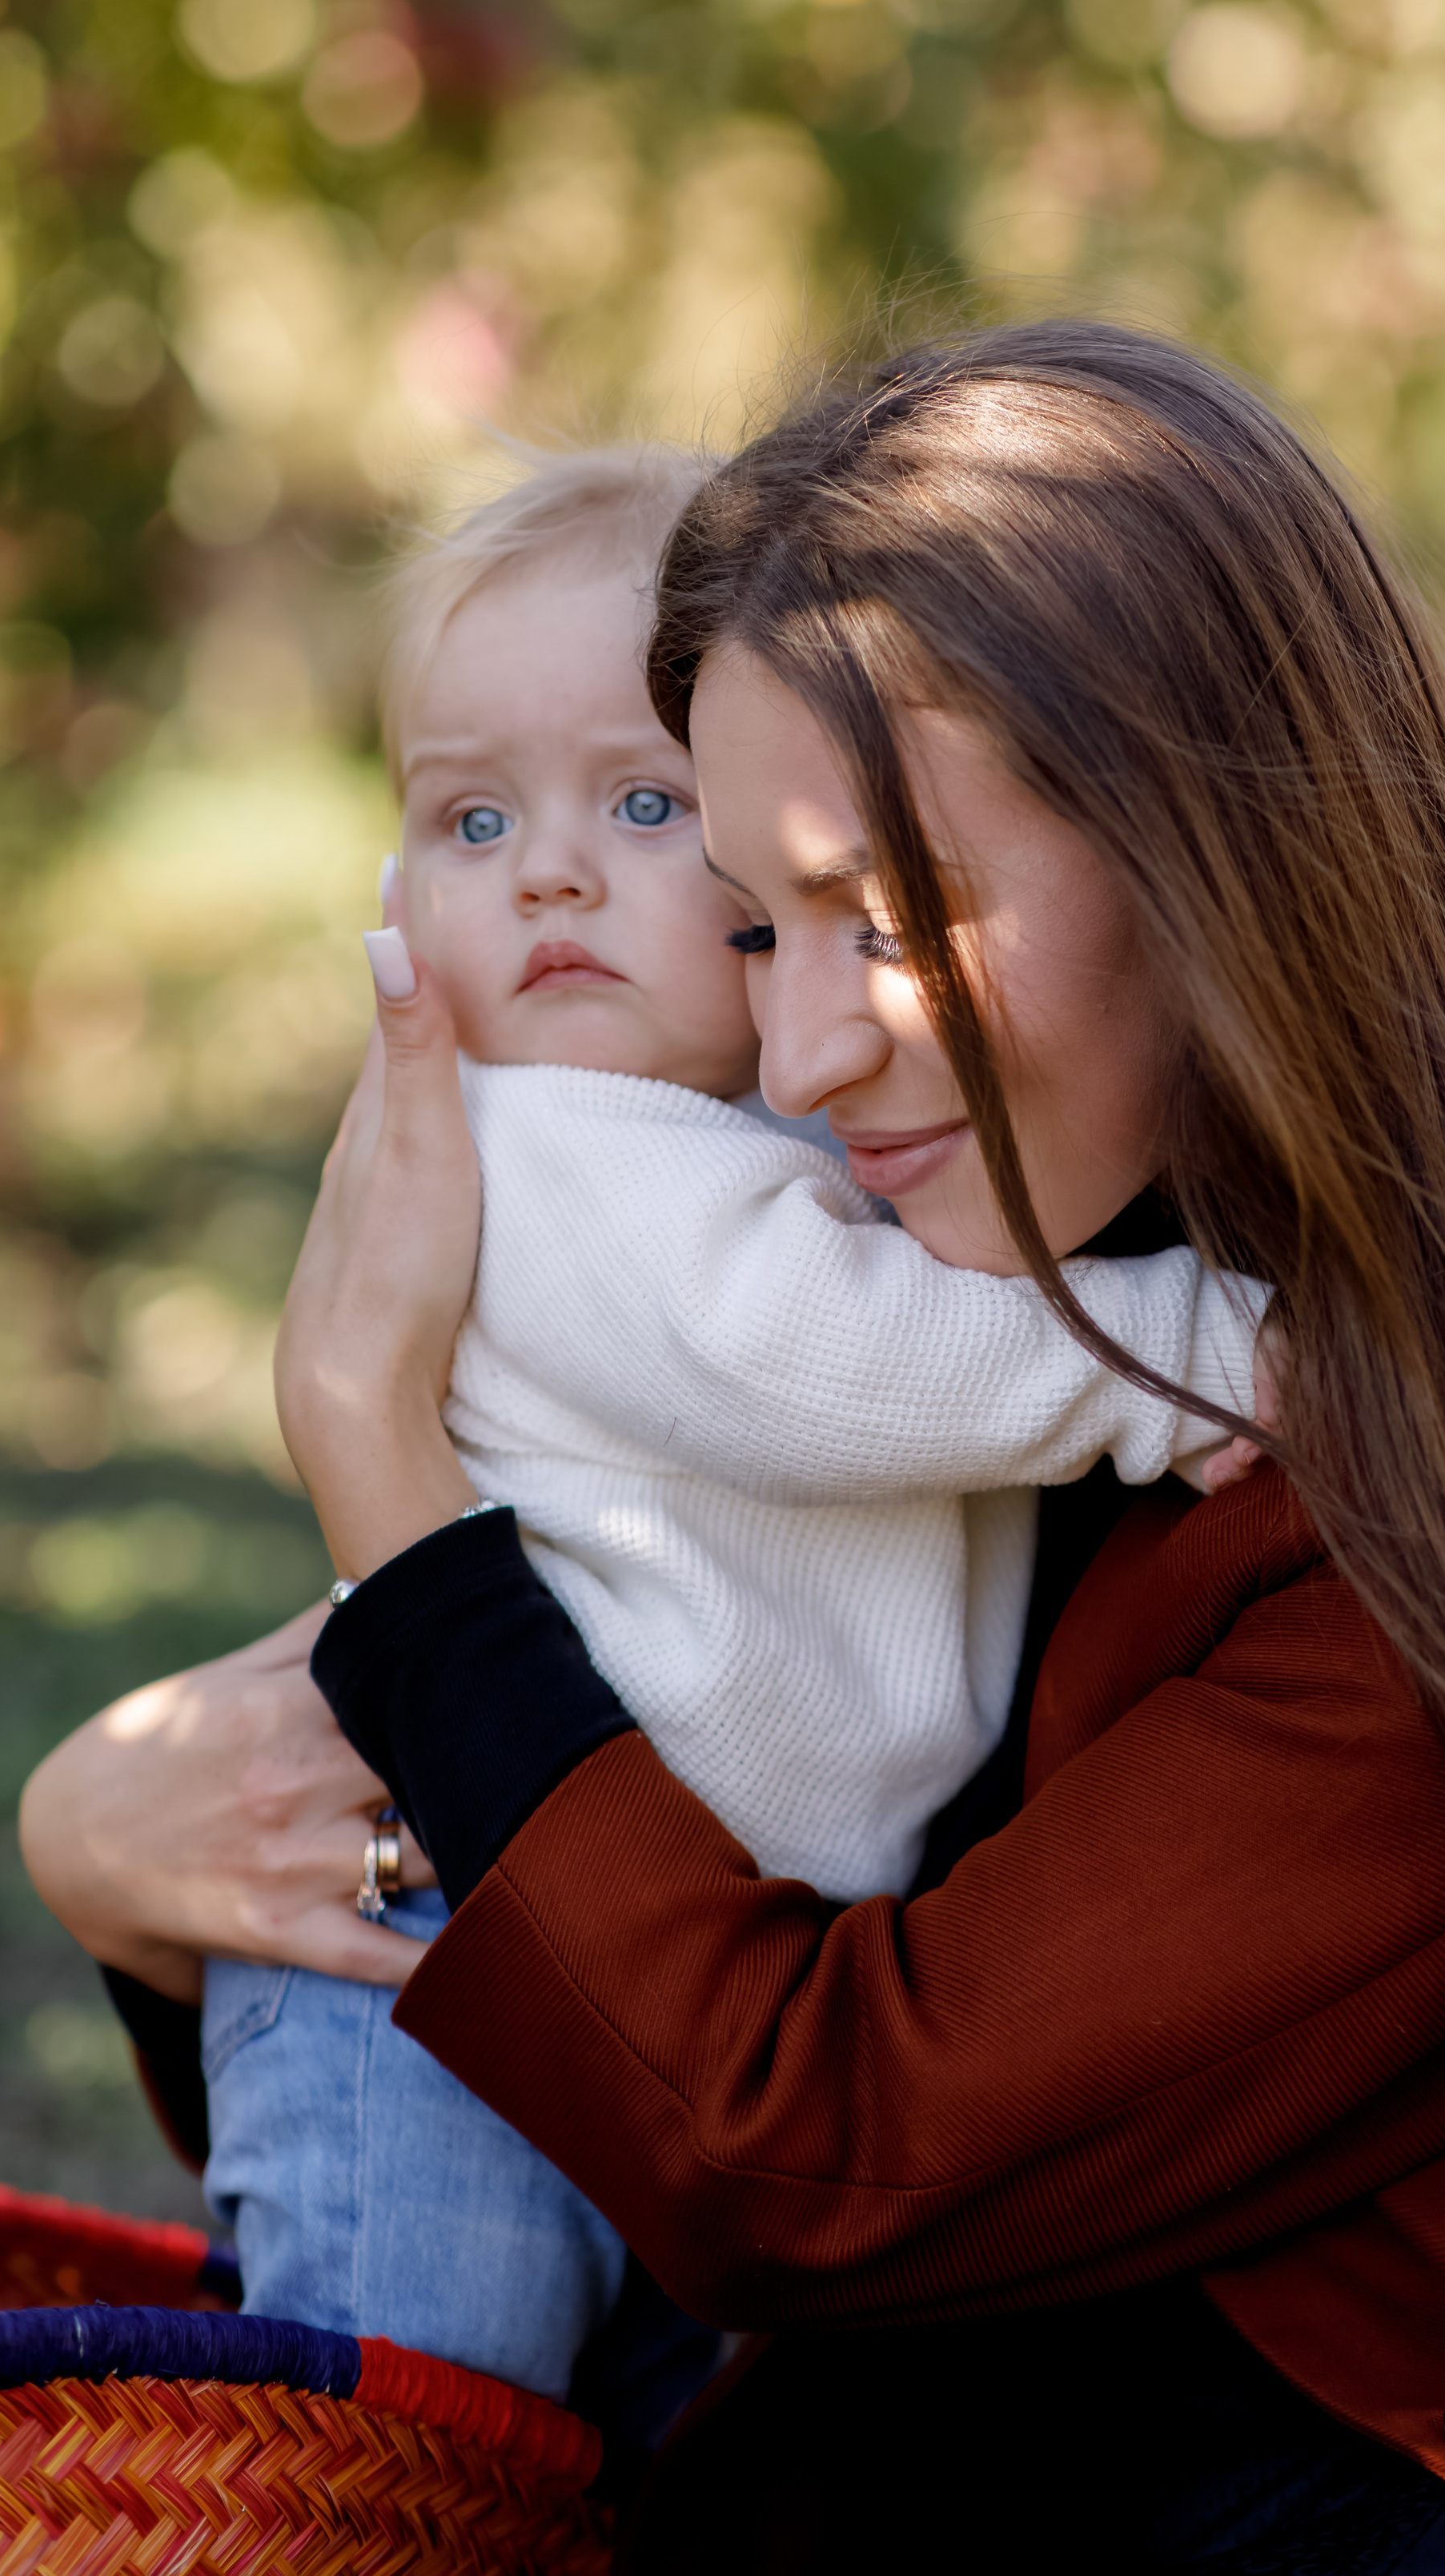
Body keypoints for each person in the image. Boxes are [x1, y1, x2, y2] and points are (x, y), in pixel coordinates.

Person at [25, 324, 1445, 2574]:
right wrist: (118, 1850)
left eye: (892, 914)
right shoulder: (1033, 1277)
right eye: (758, 920)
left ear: (1216, 851)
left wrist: (380, 1466)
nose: (808, 1045)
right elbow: (642, 1758)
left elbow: (801, 2155)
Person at [195, 436, 1261, 2401]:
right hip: (449, 1956)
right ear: (394, 891)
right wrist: (1189, 1353)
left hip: (659, 1946)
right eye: (470, 821)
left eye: (637, 801)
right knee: (420, 2431)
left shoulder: (768, 1127)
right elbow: (822, 1355)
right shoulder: (552, 1156)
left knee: (602, 2445)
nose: (552, 873)